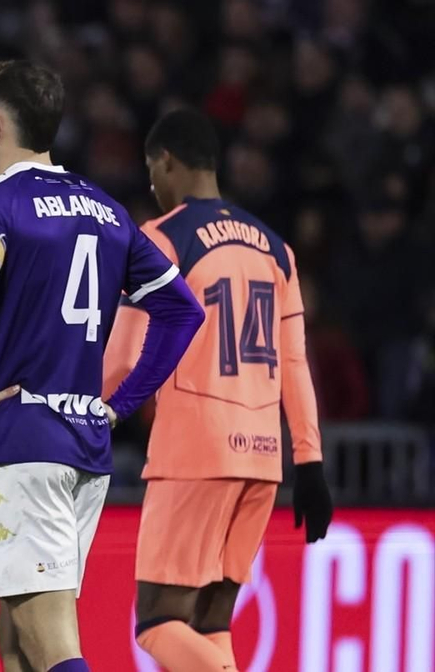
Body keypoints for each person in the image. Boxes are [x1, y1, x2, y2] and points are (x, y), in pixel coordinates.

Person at [0, 61, 203, 672]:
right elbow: (182, 311)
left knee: (50, 644)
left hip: (24, 440)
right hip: (86, 445)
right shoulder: (108, 211)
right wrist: (120, 405)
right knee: (16, 640)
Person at [103, 108, 333, 672]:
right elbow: (295, 364)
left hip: (195, 452)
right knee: (209, 624)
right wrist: (309, 462)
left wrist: (84, 416)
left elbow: (122, 358)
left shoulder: (162, 238)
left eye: (152, 173)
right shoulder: (277, 249)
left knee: (157, 623)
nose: (152, 188)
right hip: (262, 458)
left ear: (167, 162)